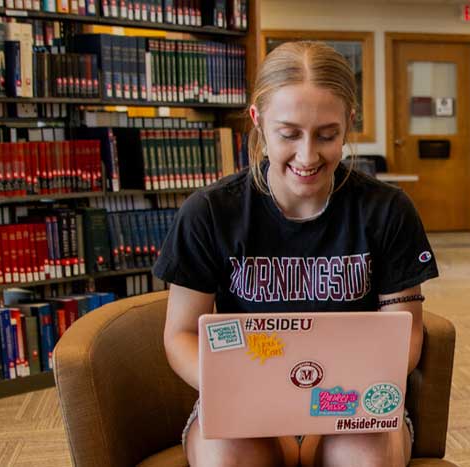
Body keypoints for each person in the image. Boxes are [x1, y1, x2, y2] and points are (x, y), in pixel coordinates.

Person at [155, 41, 438, 467]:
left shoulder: (387, 210)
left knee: (363, 456)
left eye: (327, 135)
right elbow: (179, 335)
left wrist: (339, 400)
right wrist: (245, 388)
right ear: (258, 121)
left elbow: (406, 333)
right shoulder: (212, 212)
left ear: (349, 123)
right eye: (289, 134)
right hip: (247, 397)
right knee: (227, 456)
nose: (307, 156)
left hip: (352, 400)